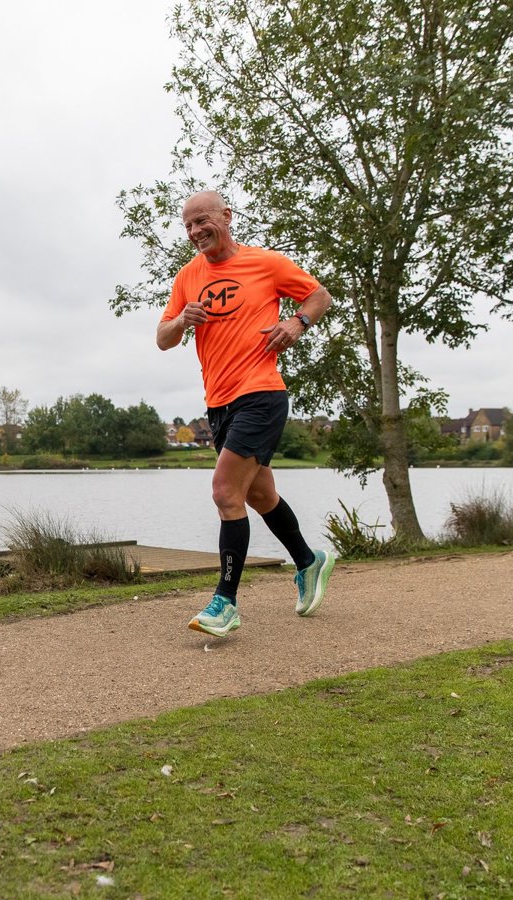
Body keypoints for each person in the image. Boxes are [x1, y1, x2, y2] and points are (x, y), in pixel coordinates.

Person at [157, 190, 337, 637]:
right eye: (188, 226)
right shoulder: (187, 277)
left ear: (226, 217)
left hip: (261, 394)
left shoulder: (267, 264)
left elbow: (319, 296)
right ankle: (309, 561)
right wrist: (183, 321)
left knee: (224, 492)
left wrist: (297, 324)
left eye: (203, 221)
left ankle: (226, 602)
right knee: (258, 496)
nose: (197, 231)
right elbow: (163, 337)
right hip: (218, 404)